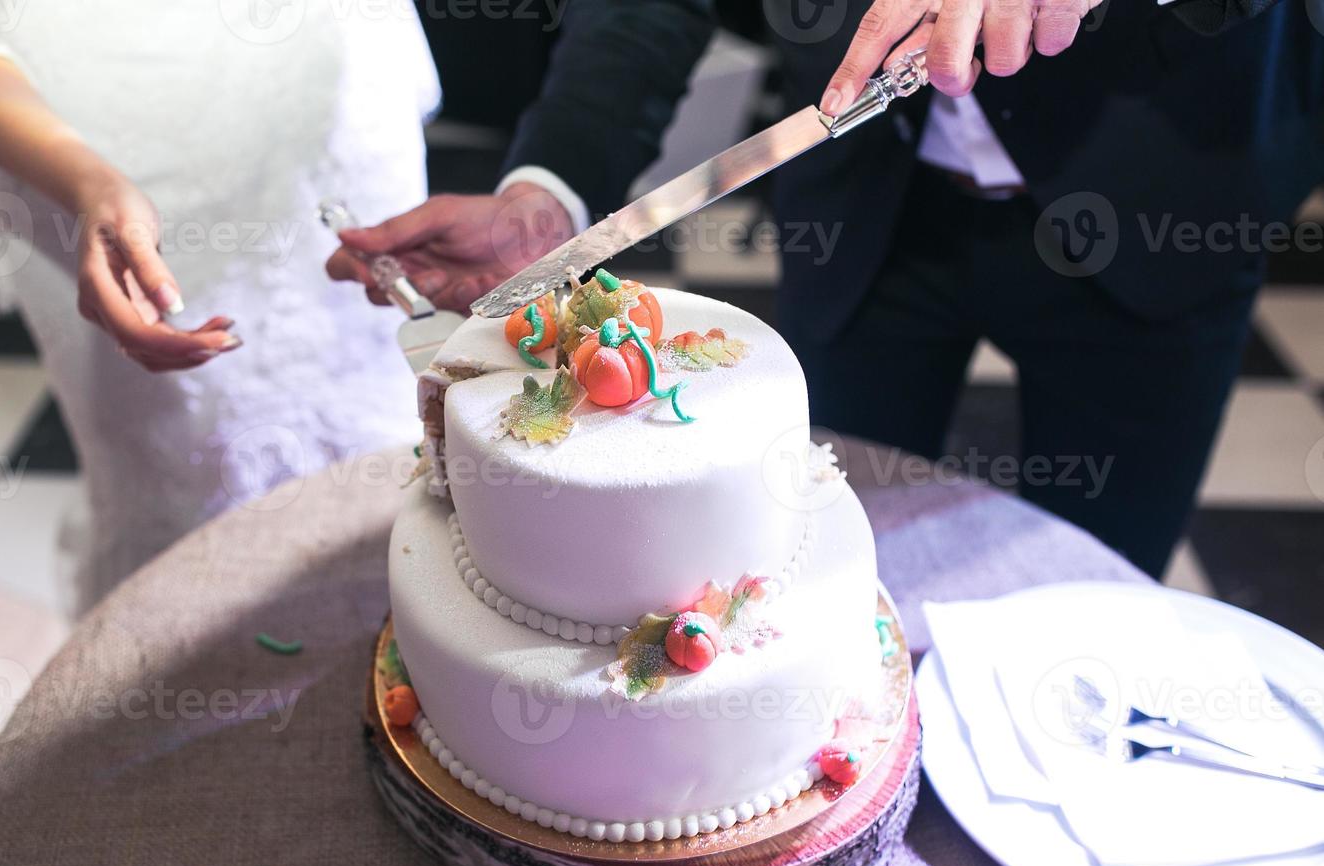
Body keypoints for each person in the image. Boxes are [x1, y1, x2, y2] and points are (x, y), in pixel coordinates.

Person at [327, 0, 1324, 578]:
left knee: (1104, 587)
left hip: (1166, 194)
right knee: (824, 558)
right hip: (863, 207)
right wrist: (553, 190)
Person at [0, 0, 440, 611]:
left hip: (329, 111)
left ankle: (400, 663)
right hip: (89, 140)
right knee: (183, 476)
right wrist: (88, 182)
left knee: (382, 434)